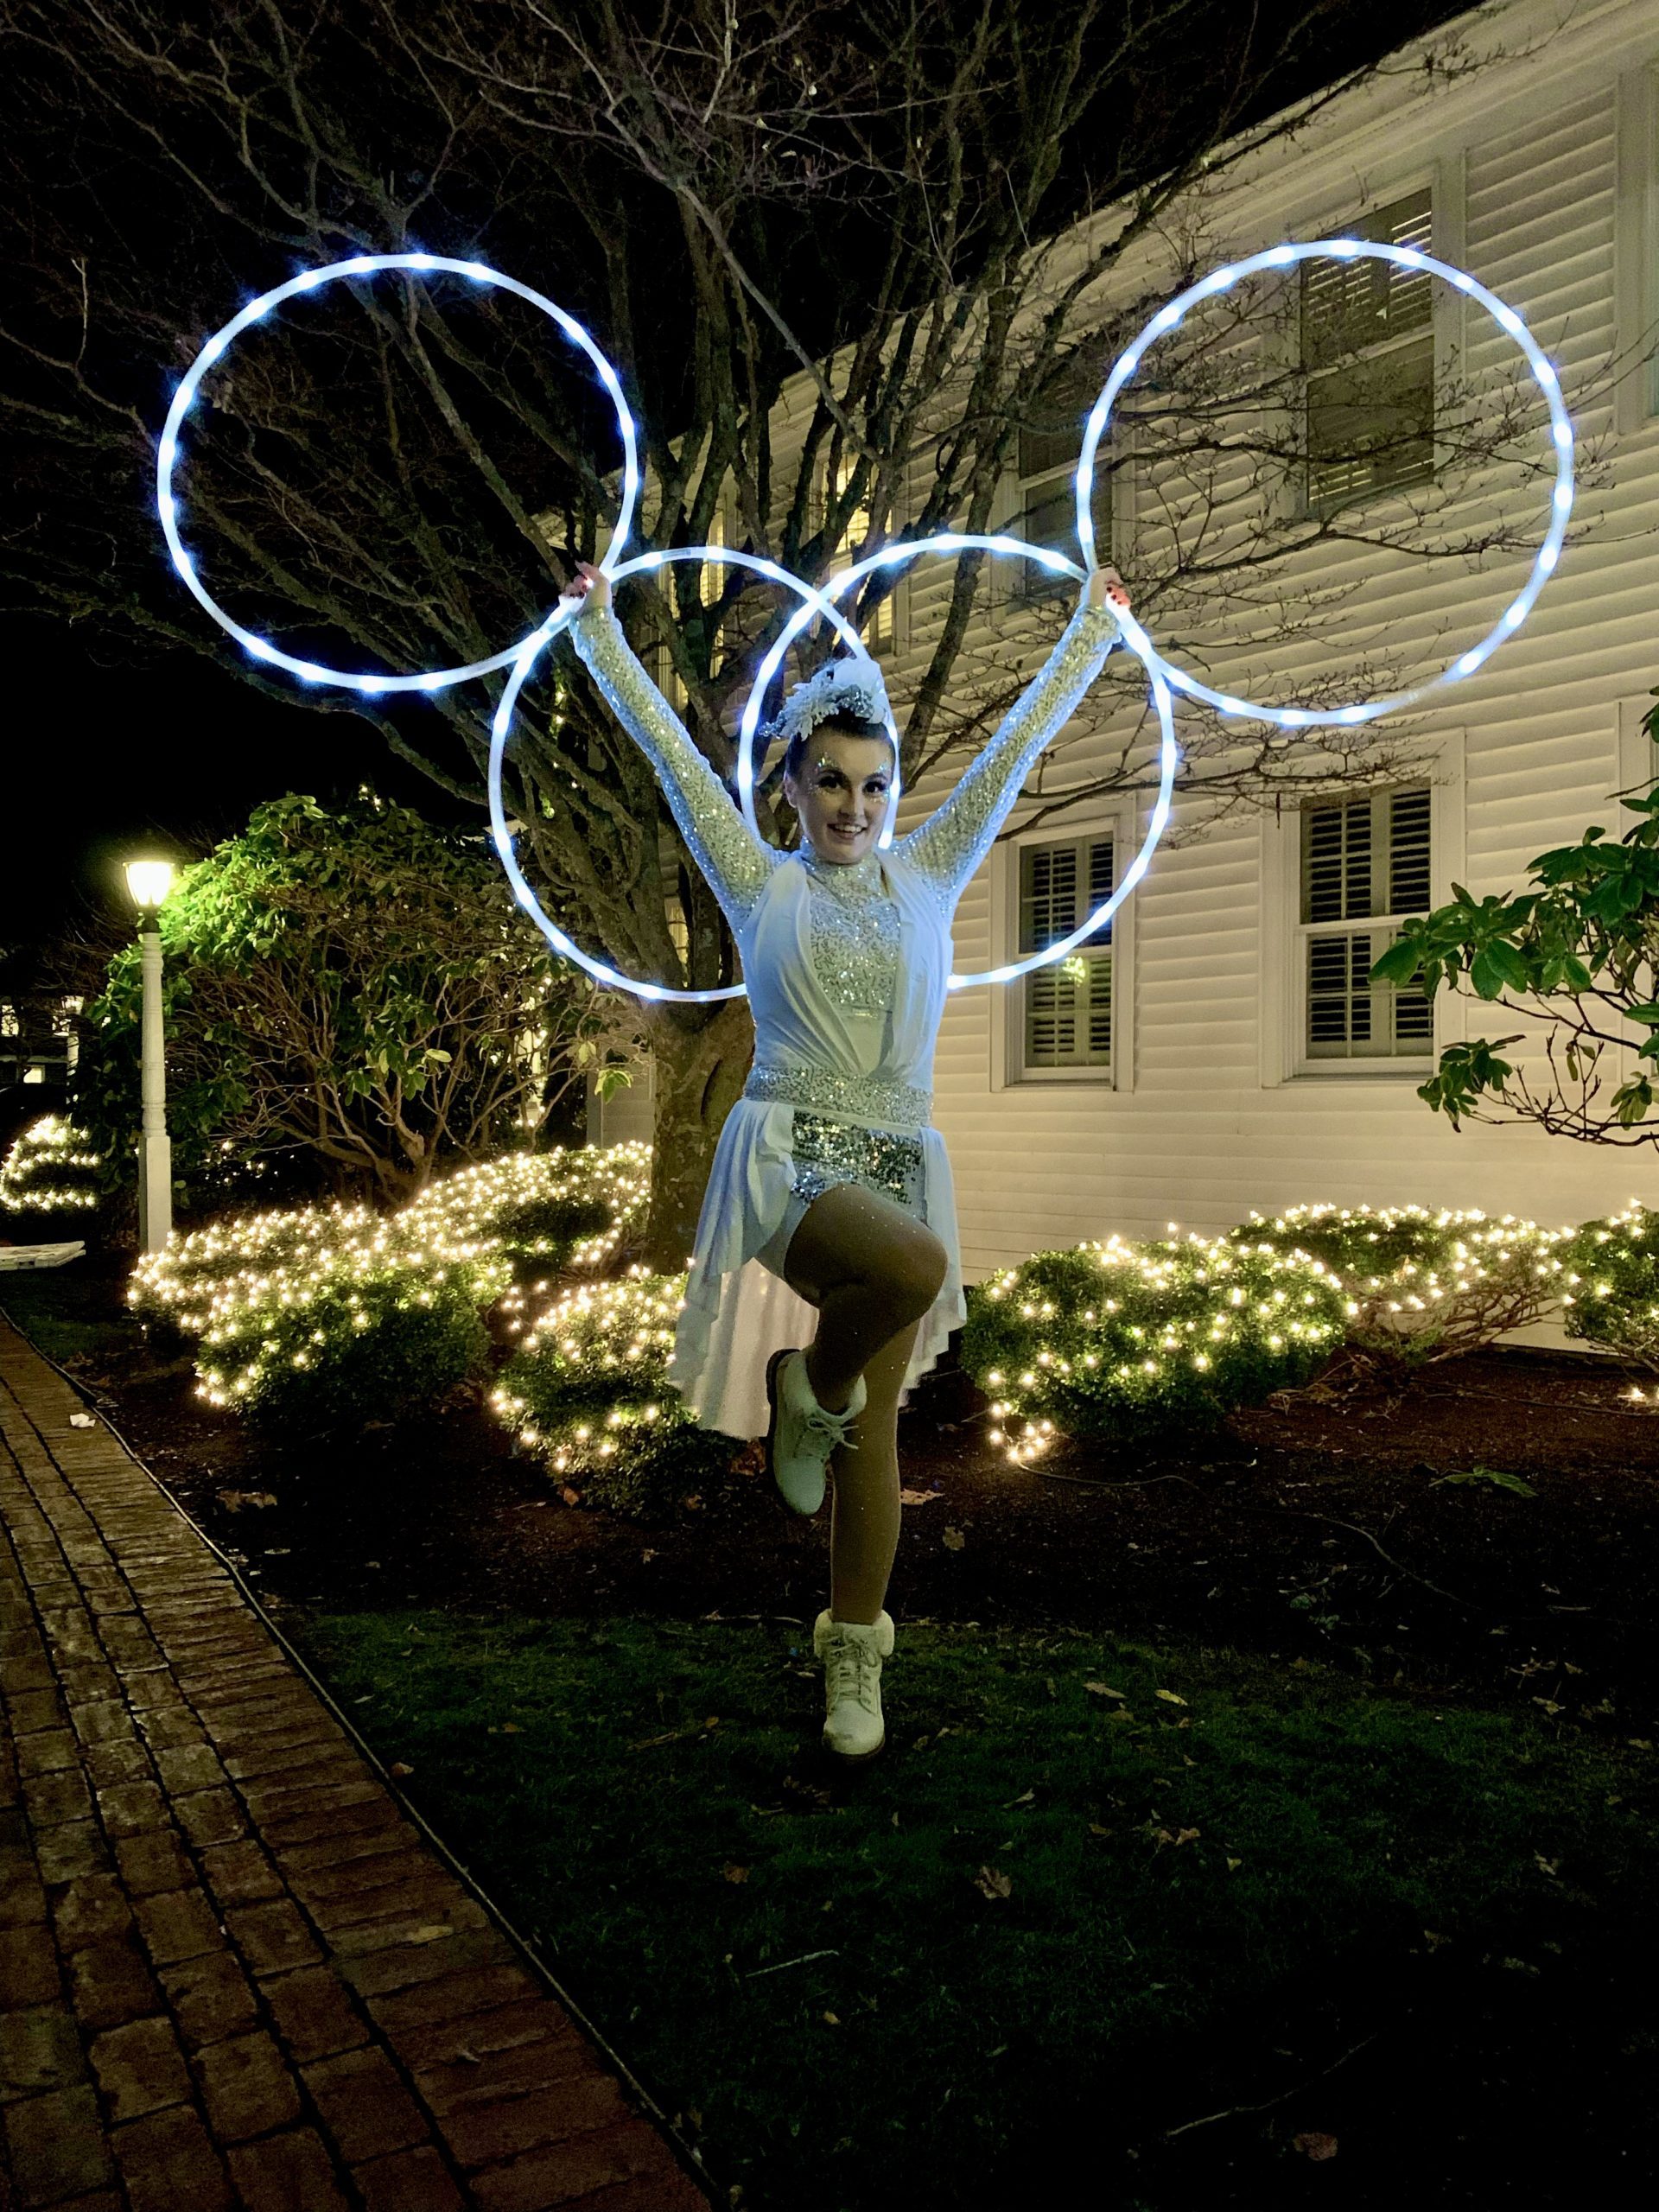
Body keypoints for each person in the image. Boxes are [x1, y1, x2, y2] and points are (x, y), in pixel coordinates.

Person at [559, 556, 1130, 1762]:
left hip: (896, 1158)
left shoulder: (927, 877)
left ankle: (853, 1659)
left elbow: (1016, 753)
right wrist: (602, 632)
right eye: (830, 781)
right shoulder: (761, 883)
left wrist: (1089, 631)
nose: (855, 805)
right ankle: (802, 1391)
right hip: (786, 1163)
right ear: (794, 786)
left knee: (879, 1433)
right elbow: (671, 755)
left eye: (875, 784)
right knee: (913, 1274)